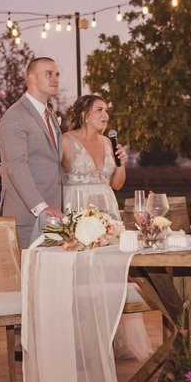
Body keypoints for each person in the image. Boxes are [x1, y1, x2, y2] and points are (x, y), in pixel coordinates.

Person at [62, 94, 151, 362]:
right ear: (85, 113)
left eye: (107, 111)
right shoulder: (66, 141)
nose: (105, 115)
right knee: (79, 277)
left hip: (107, 210)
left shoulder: (109, 143)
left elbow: (117, 184)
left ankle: (109, 338)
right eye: (100, 110)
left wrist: (122, 163)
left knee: (110, 274)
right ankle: (79, 341)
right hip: (76, 208)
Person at [0, 57, 64, 249]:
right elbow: (16, 166)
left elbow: (55, 166)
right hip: (28, 218)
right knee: (28, 277)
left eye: (57, 74)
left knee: (51, 277)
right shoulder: (14, 116)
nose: (55, 79)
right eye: (48, 74)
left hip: (55, 217)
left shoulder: (50, 117)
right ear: (32, 78)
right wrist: (42, 208)